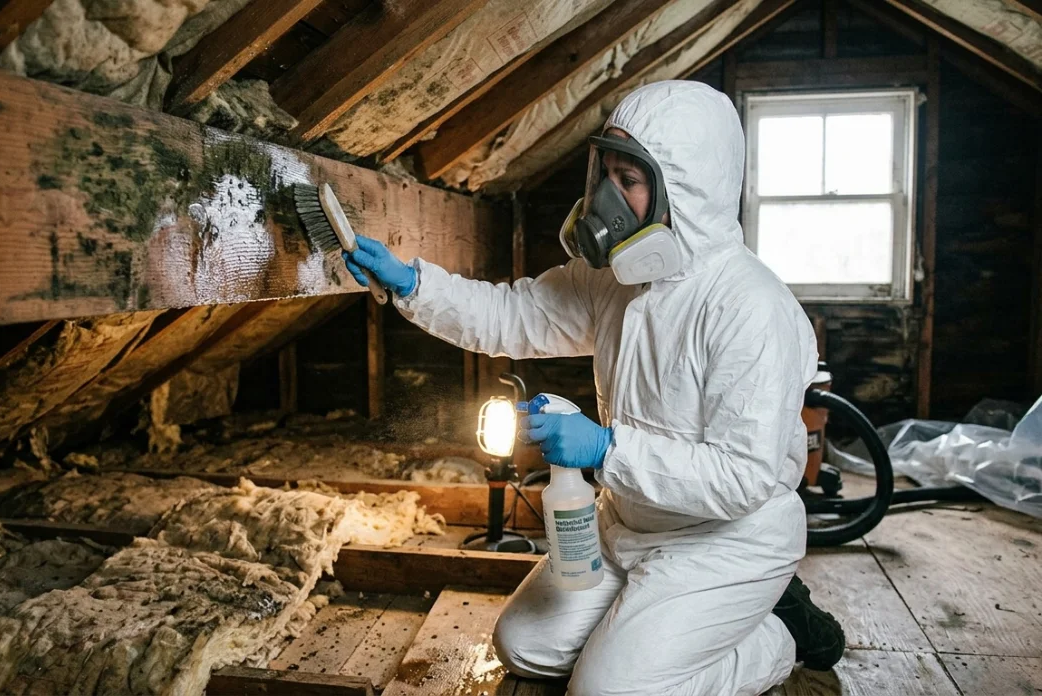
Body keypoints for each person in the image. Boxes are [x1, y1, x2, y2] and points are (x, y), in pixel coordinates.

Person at [342, 80, 845, 695]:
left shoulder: (750, 309)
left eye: (628, 180)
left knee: (607, 691)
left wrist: (608, 450)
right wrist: (414, 286)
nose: (606, 198)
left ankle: (777, 638)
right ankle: (658, 627)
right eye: (605, 173)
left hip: (723, 541)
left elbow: (743, 479)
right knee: (524, 647)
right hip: (627, 522)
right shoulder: (614, 283)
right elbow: (511, 315)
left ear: (684, 190)